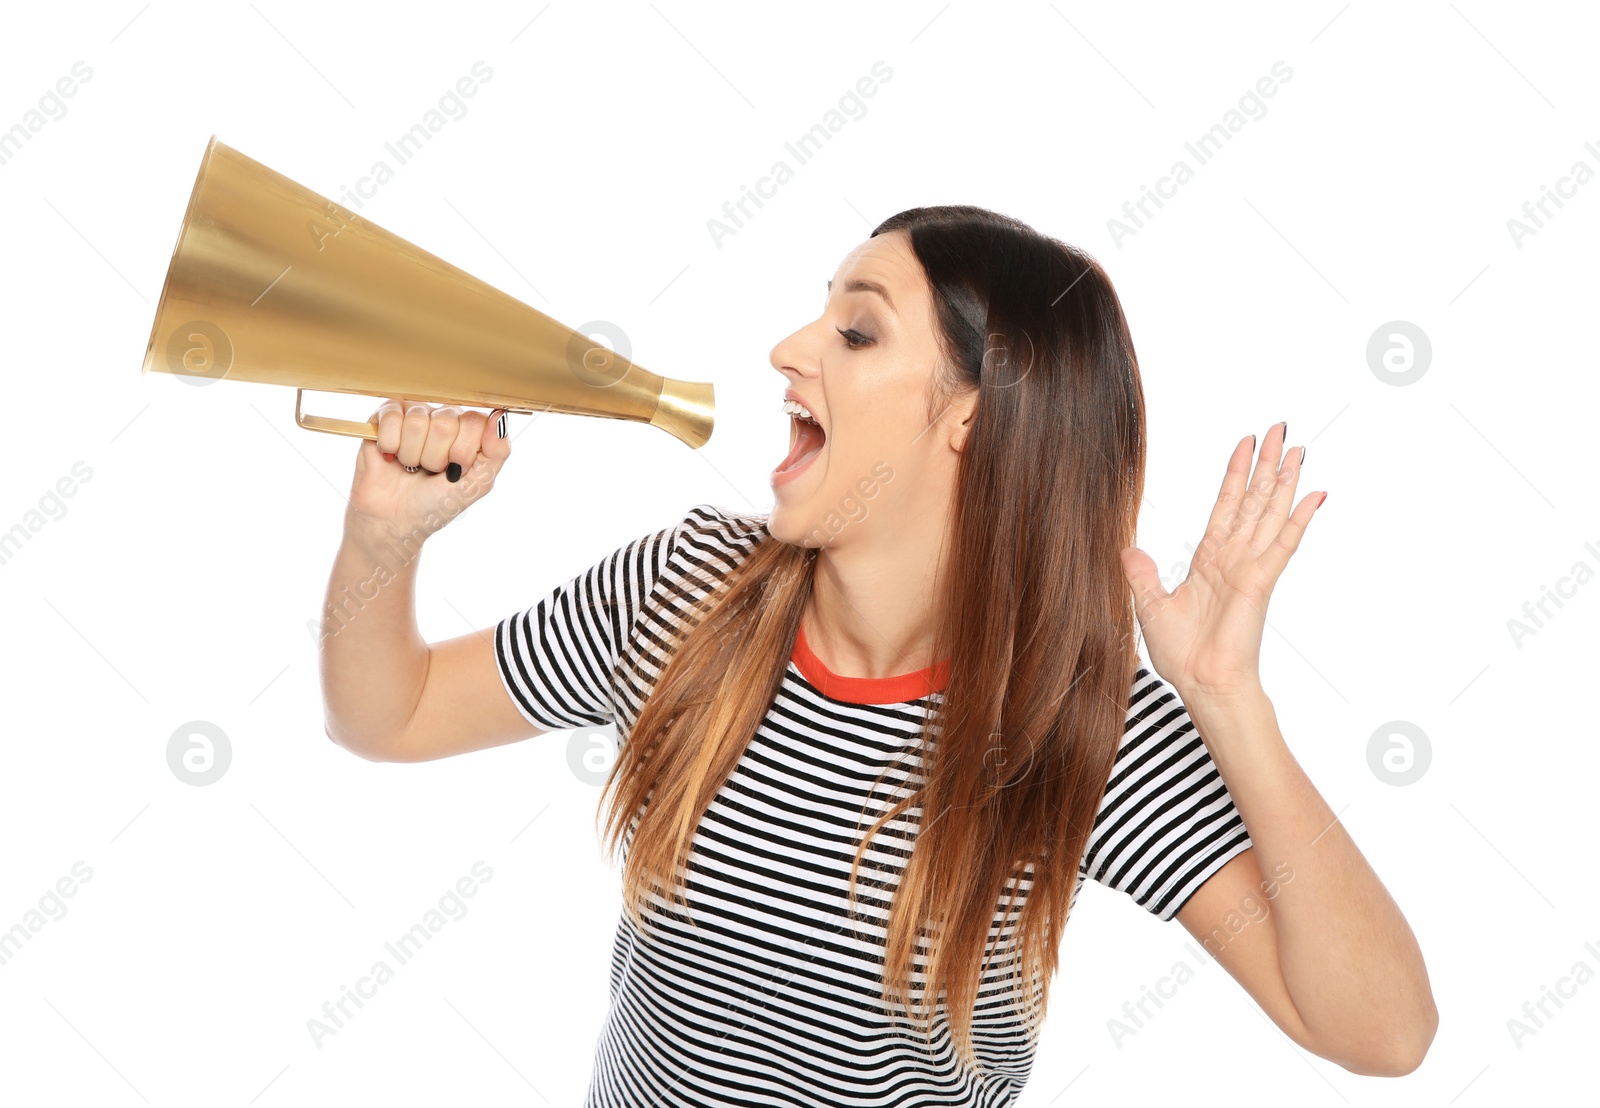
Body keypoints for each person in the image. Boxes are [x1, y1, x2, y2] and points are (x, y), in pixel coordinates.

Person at [320, 205, 1437, 1105]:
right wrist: (383, 536)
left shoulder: (1073, 724)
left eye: (855, 332)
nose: (787, 352)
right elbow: (390, 714)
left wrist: (1226, 699)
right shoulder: (686, 594)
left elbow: (1381, 1034)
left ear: (972, 416)